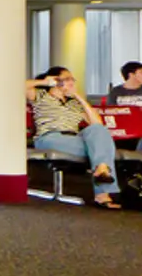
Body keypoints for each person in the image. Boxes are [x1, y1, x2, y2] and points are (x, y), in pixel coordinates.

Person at [28, 66, 121, 210]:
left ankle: (102, 168)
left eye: (72, 79)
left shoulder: (74, 104)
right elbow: (19, 86)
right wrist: (45, 82)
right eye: (67, 79)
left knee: (98, 131)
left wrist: (78, 97)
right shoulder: (41, 96)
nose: (72, 82)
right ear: (56, 81)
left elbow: (98, 124)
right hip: (50, 136)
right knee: (100, 150)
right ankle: (102, 193)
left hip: (74, 138)